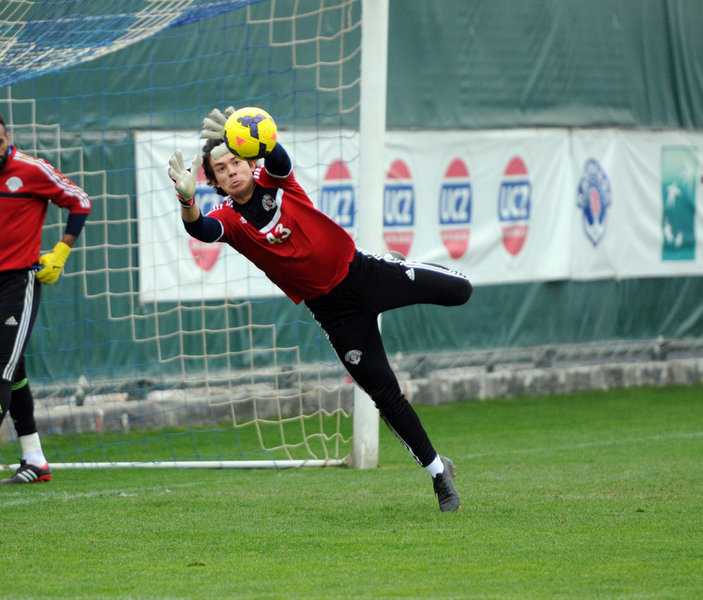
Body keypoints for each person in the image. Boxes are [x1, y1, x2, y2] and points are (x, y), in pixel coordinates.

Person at [168, 107, 473, 511]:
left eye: (236, 161)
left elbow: (278, 158)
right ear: (216, 182)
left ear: (250, 161)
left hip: (363, 273)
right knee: (383, 393)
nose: (231, 171)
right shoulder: (231, 221)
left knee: (461, 291)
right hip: (335, 313)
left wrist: (249, 133)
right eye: (220, 169)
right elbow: (200, 229)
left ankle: (395, 263)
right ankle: (438, 474)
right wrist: (186, 198)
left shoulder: (276, 181)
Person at [0, 114, 91, 484]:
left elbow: (80, 200)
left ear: (7, 137)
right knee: (15, 371)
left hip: (17, 283)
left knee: (1, 370)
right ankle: (35, 459)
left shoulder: (31, 169)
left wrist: (61, 251)